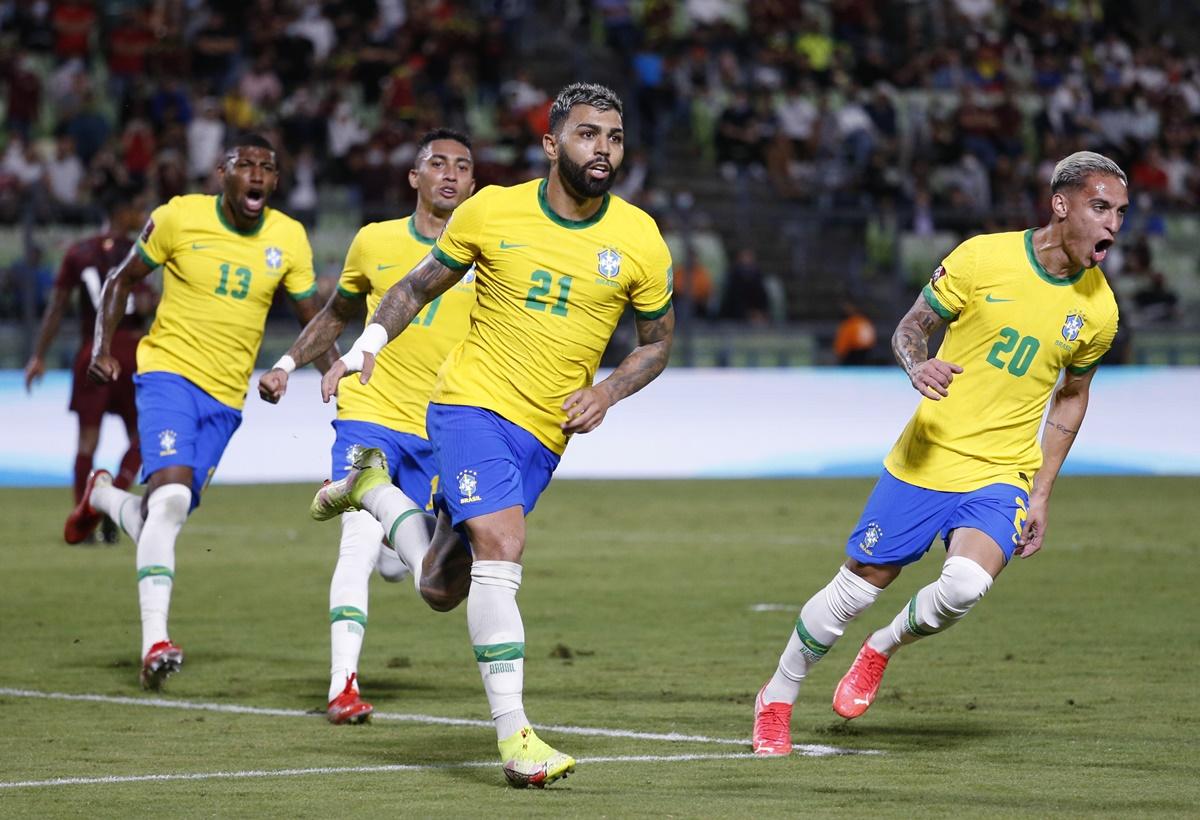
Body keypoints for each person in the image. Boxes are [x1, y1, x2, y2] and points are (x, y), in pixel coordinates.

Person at [316, 83, 675, 788]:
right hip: (470, 405)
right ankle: (516, 739)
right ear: (551, 145)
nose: (602, 148)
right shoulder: (492, 209)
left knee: (442, 586)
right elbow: (416, 286)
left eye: (614, 136)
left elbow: (657, 343)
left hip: (545, 434)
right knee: (503, 546)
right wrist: (370, 342)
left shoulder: (639, 237)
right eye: (586, 134)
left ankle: (379, 497)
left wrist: (608, 389)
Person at [751, 151, 1128, 755]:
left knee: (965, 587)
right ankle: (776, 696)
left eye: (1120, 213)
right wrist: (916, 365)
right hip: (928, 457)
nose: (1113, 224)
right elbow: (909, 328)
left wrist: (1042, 491)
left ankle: (882, 648)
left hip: (1002, 471)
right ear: (1061, 205)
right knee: (857, 588)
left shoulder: (1099, 310)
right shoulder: (983, 257)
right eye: (1100, 207)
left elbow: (1071, 400)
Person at [66, 133, 333, 690]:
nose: (257, 174)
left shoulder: (289, 237)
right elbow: (122, 281)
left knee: (164, 512)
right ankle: (155, 642)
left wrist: (335, 370)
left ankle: (102, 494)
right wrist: (99, 348)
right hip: (167, 374)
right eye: (246, 165)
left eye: (268, 167)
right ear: (222, 172)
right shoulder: (178, 218)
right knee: (167, 503)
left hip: (226, 398)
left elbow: (314, 314)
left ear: (276, 182)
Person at [257, 128, 476, 725]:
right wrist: (284, 366)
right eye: (438, 163)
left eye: (462, 166)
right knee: (355, 536)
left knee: (431, 563)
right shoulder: (374, 241)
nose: (450, 174)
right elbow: (334, 316)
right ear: (415, 177)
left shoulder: (488, 254)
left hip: (444, 427)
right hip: (370, 412)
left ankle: (394, 550)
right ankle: (343, 686)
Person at [25, 184, 154, 544]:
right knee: (141, 436)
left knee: (86, 443)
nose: (140, 218)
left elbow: (56, 307)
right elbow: (146, 304)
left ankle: (84, 521)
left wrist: (38, 356)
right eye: (135, 211)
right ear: (122, 214)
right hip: (132, 350)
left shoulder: (78, 252)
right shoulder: (140, 250)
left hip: (93, 352)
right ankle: (115, 499)